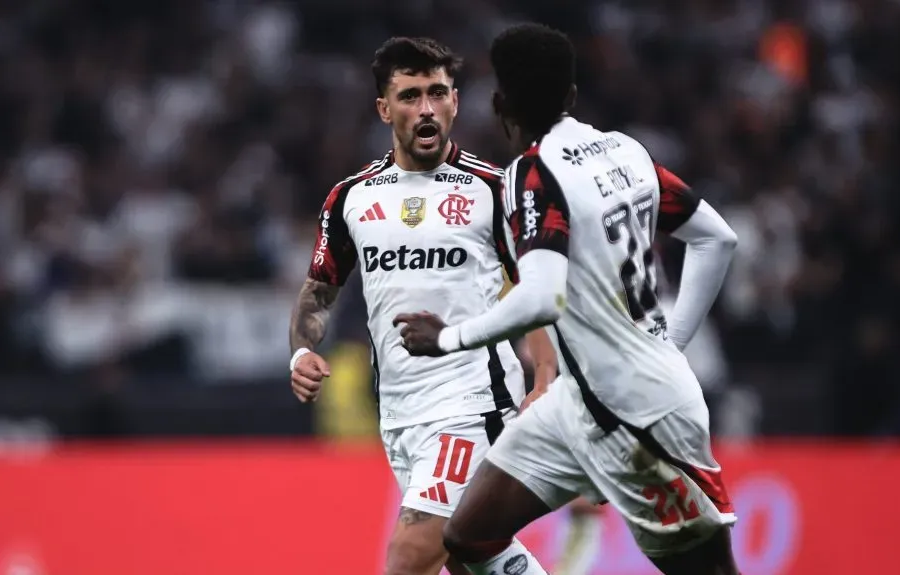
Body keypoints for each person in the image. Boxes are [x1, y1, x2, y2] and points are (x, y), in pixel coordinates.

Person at [395, 23, 740, 575]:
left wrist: (447, 338)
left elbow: (541, 298)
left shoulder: (531, 175)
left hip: (639, 419)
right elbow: (715, 238)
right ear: (572, 96)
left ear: (498, 103)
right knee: (467, 538)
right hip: (576, 404)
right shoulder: (624, 151)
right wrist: (669, 341)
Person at [288, 36, 555, 575]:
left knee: (410, 556)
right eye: (411, 96)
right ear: (384, 109)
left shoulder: (494, 189)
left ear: (456, 101)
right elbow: (318, 291)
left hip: (473, 404)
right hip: (399, 415)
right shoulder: (352, 198)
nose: (426, 108)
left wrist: (545, 378)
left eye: (438, 92)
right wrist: (300, 353)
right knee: (471, 554)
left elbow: (539, 288)